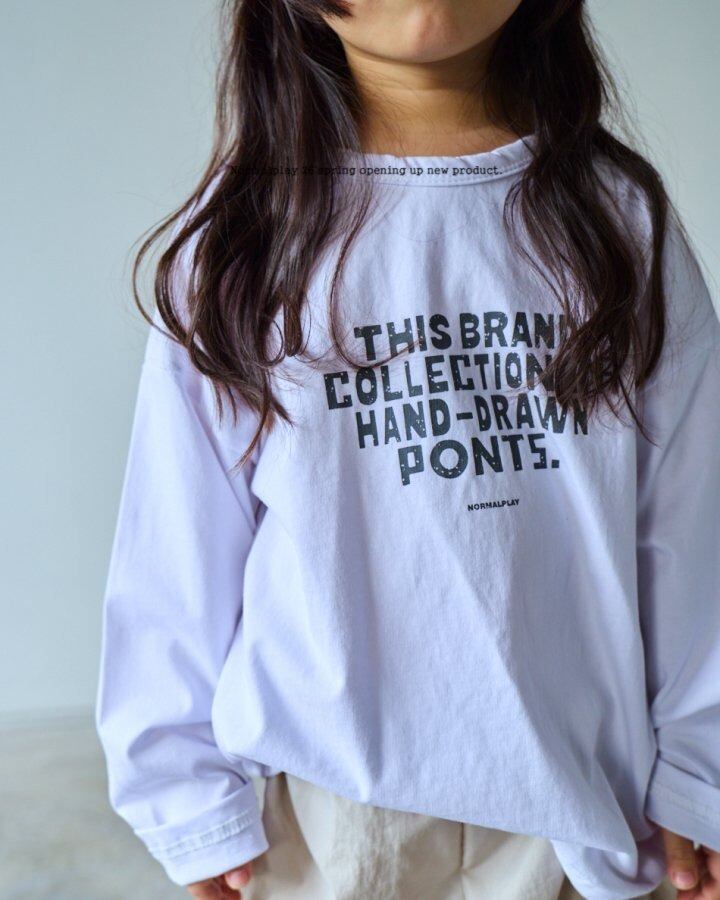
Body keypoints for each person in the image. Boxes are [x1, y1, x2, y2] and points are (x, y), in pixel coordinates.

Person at [95, 1, 720, 898]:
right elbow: (175, 549)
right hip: (334, 808)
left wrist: (698, 768)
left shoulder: (619, 220)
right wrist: (182, 795)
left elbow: (692, 529)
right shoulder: (241, 240)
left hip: (587, 801)